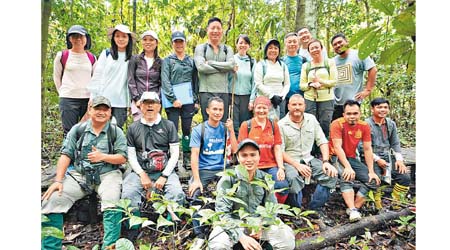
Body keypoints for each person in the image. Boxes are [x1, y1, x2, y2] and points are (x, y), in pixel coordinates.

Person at [41, 96, 128, 250]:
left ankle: (110, 246)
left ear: (110, 112)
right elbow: (66, 154)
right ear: (90, 110)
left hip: (107, 174)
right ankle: (50, 247)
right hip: (80, 175)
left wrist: (103, 157)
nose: (101, 112)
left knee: (112, 201)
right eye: (97, 108)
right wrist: (58, 180)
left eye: (105, 109)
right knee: (52, 200)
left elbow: (122, 158)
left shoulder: (116, 132)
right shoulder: (78, 129)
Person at [208, 139, 296, 250]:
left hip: (258, 223)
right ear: (238, 158)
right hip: (235, 224)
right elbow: (223, 213)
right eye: (244, 155)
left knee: (287, 240)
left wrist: (262, 224)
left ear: (259, 157)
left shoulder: (265, 179)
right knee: (217, 245)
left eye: (253, 155)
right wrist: (241, 237)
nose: (249, 159)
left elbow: (272, 209)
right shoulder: (229, 178)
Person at [121, 91, 185, 241]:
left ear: (159, 106)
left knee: (176, 193)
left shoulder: (168, 126)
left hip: (164, 170)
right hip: (140, 171)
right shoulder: (133, 128)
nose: (149, 106)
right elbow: (131, 155)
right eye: (146, 103)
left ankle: (169, 225)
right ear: (140, 106)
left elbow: (175, 153)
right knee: (128, 194)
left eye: (153, 103)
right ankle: (134, 227)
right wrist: (142, 175)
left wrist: (164, 176)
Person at [278, 94, 338, 218]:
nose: (297, 107)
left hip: (308, 158)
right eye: (294, 104)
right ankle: (297, 212)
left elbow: (322, 141)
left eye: (300, 104)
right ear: (288, 106)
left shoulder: (311, 119)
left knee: (330, 174)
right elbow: (280, 151)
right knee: (293, 178)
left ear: (304, 106)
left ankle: (315, 208)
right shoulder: (281, 124)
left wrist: (326, 161)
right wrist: (297, 165)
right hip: (290, 160)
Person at [188, 96, 238, 241]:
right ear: (207, 110)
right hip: (204, 169)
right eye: (214, 109)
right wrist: (196, 179)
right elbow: (194, 155)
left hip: (223, 168)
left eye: (220, 110)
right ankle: (199, 233)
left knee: (233, 192)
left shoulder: (225, 128)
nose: (217, 112)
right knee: (195, 194)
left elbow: (235, 150)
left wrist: (231, 131)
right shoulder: (199, 129)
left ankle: (229, 227)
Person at [329, 100, 380, 222]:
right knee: (347, 176)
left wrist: (371, 171)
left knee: (373, 181)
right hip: (336, 156)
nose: (352, 116)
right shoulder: (337, 124)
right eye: (349, 114)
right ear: (344, 114)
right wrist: (347, 166)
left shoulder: (364, 126)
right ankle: (352, 210)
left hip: (351, 157)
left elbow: (367, 149)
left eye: (355, 113)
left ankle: (354, 207)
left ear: (360, 113)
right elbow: (337, 147)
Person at [238, 96, 290, 204]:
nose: (261, 111)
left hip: (271, 165)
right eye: (259, 108)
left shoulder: (273, 125)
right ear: (254, 109)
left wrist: (280, 168)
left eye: (264, 108)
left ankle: (276, 210)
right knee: (254, 189)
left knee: (282, 187)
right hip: (253, 165)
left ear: (269, 109)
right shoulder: (246, 125)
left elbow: (277, 147)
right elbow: (241, 150)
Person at [161, 30, 199, 169]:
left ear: (185, 42)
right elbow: (165, 81)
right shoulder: (168, 61)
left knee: (187, 130)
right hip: (172, 102)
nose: (179, 44)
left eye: (181, 41)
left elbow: (195, 81)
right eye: (176, 42)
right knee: (173, 129)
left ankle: (188, 157)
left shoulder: (191, 61)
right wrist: (173, 98)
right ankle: (174, 159)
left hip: (188, 101)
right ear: (172, 44)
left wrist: (196, 100)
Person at [364, 97, 411, 210]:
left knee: (404, 176)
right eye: (379, 107)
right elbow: (363, 147)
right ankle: (377, 206)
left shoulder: (390, 124)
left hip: (387, 155)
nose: (382, 110)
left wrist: (399, 160)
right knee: (376, 179)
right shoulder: (366, 124)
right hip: (370, 156)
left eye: (385, 107)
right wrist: (377, 159)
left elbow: (395, 143)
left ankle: (396, 203)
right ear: (372, 109)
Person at [88, 24, 135, 129]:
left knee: (116, 131)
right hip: (103, 99)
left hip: (121, 101)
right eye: (117, 36)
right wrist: (92, 97)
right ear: (113, 38)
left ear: (129, 39)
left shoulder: (132, 58)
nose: (120, 39)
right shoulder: (107, 54)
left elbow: (132, 82)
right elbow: (97, 76)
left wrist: (132, 102)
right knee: (100, 129)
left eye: (124, 36)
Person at [53, 24, 96, 137]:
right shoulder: (62, 55)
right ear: (69, 39)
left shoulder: (92, 57)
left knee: (87, 131)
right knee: (69, 133)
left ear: (86, 38)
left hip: (87, 100)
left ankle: (83, 155)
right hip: (68, 99)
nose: (78, 39)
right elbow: (57, 76)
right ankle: (68, 155)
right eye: (74, 36)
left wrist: (92, 99)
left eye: (81, 36)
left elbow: (95, 80)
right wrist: (62, 93)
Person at [194, 17, 235, 122]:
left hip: (223, 92)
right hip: (206, 92)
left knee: (222, 125)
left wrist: (211, 62)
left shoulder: (227, 49)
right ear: (207, 30)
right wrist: (223, 68)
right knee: (207, 125)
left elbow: (231, 65)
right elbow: (201, 67)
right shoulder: (201, 48)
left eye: (218, 28)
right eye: (213, 28)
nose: (215, 31)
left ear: (222, 31)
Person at [330, 33, 377, 121]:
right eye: (335, 44)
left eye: (340, 42)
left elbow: (373, 69)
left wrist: (368, 90)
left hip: (353, 103)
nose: (338, 45)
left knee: (353, 131)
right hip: (336, 104)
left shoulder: (359, 55)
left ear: (347, 42)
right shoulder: (332, 61)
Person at [300, 39, 337, 139]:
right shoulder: (306, 66)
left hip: (326, 99)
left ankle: (323, 150)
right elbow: (302, 85)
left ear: (321, 48)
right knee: (309, 124)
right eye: (312, 48)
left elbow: (334, 82)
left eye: (317, 47)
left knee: (325, 124)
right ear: (309, 51)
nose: (315, 50)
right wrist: (311, 84)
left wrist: (320, 81)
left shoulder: (329, 63)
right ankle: (312, 150)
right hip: (310, 99)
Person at [128, 30, 162, 121]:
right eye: (145, 39)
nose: (148, 42)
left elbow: (162, 83)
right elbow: (131, 80)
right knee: (139, 129)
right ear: (142, 42)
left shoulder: (161, 62)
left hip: (154, 102)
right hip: (139, 102)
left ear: (156, 43)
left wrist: (157, 99)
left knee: (154, 129)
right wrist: (137, 99)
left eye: (151, 40)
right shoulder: (135, 60)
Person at [254, 39, 290, 120]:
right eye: (270, 48)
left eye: (275, 48)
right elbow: (258, 83)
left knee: (279, 126)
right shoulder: (261, 65)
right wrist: (272, 96)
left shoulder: (283, 65)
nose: (273, 50)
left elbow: (287, 84)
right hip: (264, 101)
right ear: (266, 50)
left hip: (280, 101)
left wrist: (281, 96)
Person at [230, 34, 256, 136]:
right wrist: (231, 71)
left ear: (249, 46)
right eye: (240, 43)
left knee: (246, 125)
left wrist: (252, 100)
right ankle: (234, 148)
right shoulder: (231, 59)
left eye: (245, 43)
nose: (243, 45)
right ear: (236, 45)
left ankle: (245, 147)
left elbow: (254, 82)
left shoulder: (252, 62)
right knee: (234, 124)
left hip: (246, 96)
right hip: (233, 95)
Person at [282, 32, 307, 109]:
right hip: (285, 97)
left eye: (294, 41)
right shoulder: (281, 61)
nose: (292, 44)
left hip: (301, 97)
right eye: (289, 42)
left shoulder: (304, 60)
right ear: (285, 44)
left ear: (298, 44)